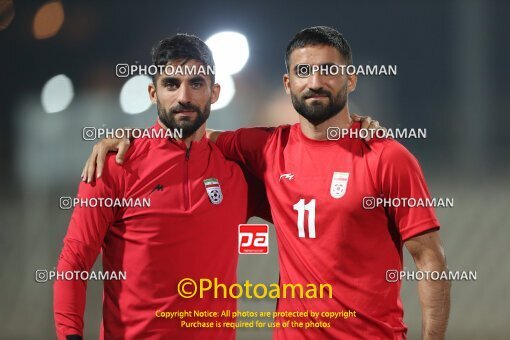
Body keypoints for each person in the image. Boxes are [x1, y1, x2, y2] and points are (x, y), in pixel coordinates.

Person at [83, 27, 440, 340]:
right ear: (288, 84)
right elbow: (193, 137)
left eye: (329, 71)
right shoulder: (267, 148)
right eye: (304, 71)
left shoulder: (387, 157)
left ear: (350, 80)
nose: (315, 82)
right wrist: (131, 137)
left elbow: (430, 261)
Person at [54, 33, 272, 340]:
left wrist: (351, 130)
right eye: (171, 84)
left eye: (196, 83)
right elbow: (74, 263)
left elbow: (311, 211)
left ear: (215, 92)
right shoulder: (115, 167)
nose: (184, 96)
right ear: (153, 93)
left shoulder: (235, 174)